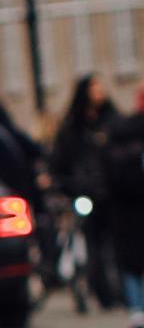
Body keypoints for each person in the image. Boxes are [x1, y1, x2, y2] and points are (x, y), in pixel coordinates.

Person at [51, 75, 121, 308]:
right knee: (92, 243)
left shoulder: (112, 120)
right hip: (85, 193)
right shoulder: (73, 128)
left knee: (116, 241)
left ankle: (119, 288)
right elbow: (60, 161)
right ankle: (100, 289)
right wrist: (66, 184)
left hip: (111, 191)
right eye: (94, 88)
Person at [0, 98, 56, 282]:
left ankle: (34, 266)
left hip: (7, 196)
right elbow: (36, 151)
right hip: (23, 191)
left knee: (20, 235)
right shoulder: (10, 133)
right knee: (30, 229)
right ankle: (42, 265)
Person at [107, 83, 144, 328]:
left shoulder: (115, 146)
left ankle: (136, 311)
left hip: (125, 216)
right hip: (132, 213)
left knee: (132, 266)